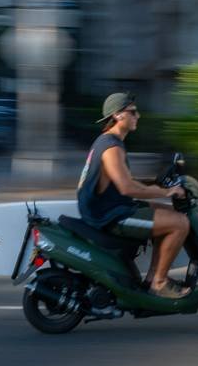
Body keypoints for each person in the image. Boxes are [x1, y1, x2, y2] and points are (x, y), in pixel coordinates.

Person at [76, 92, 190, 298]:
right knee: (180, 223)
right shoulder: (111, 147)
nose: (138, 116)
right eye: (133, 112)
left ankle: (152, 278)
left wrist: (156, 187)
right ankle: (159, 283)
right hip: (110, 216)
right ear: (119, 115)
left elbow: (125, 182)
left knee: (166, 212)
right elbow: (127, 188)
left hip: (111, 208)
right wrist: (166, 191)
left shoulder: (109, 142)